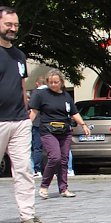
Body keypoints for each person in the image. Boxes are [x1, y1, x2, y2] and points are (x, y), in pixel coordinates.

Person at [0, 7, 49, 223]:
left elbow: (21, 85)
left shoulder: (19, 55)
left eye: (16, 25)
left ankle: (27, 217)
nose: (12, 29)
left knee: (24, 169)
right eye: (8, 24)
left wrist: (27, 112)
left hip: (19, 120)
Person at [28, 69, 90, 199]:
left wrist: (83, 125)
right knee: (54, 157)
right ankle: (44, 186)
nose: (53, 85)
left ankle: (63, 188)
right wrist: (26, 126)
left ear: (61, 82)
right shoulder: (41, 94)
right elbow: (34, 112)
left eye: (56, 82)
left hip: (65, 131)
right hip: (48, 130)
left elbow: (74, 112)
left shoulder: (66, 96)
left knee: (63, 160)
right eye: (50, 82)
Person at [29, 76, 46, 178]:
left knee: (37, 147)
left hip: (37, 123)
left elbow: (32, 109)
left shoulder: (35, 93)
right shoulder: (50, 92)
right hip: (49, 123)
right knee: (50, 148)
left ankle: (37, 169)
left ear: (37, 83)